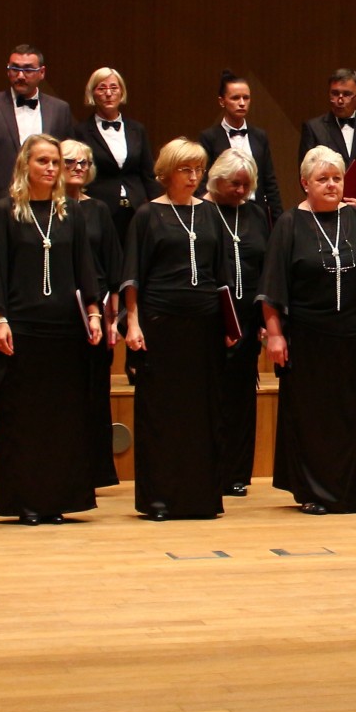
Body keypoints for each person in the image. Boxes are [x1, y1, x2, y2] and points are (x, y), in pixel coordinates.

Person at [0, 134, 105, 524]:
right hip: (22, 328)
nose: (51, 168)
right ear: (25, 165)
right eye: (43, 161)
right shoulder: (5, 211)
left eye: (55, 162)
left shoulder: (71, 212)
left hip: (64, 330)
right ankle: (26, 501)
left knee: (63, 417)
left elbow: (85, 268)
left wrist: (94, 314)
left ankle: (58, 500)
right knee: (25, 418)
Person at [258, 148, 356, 514]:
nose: (332, 185)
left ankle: (346, 492)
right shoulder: (289, 223)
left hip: (353, 337)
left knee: (348, 416)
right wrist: (275, 334)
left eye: (337, 178)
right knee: (312, 417)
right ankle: (313, 492)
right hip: (307, 337)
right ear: (305, 183)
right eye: (323, 179)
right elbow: (272, 286)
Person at [123, 138, 231, 521]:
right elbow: (133, 275)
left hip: (204, 325)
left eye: (198, 169)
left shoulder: (211, 213)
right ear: (167, 172)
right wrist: (132, 322)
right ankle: (159, 499)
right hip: (161, 324)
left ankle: (201, 498)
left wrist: (229, 322)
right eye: (185, 169)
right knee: (162, 412)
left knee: (202, 411)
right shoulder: (147, 215)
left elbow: (221, 274)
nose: (193, 176)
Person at [202, 148, 272, 496]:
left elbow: (267, 266)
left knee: (241, 398)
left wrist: (264, 318)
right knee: (211, 396)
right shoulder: (202, 212)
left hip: (247, 319)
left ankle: (236, 473)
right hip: (210, 319)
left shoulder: (256, 214)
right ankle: (208, 470)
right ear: (216, 180)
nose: (241, 191)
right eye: (234, 184)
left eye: (246, 185)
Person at [0, 45, 76, 236]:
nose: (20, 75)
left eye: (28, 69)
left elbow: (67, 160)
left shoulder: (60, 109)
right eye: (15, 69)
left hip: (48, 207)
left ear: (42, 72)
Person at [61, 139, 125, 491]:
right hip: (58, 307)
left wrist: (112, 318)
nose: (78, 167)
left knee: (95, 390)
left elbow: (113, 267)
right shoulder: (47, 208)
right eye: (70, 161)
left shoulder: (99, 209)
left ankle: (97, 470)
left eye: (84, 162)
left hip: (95, 310)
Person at [71, 67, 160, 240]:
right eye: (101, 88)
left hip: (136, 209)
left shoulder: (137, 129)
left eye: (114, 87)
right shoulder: (81, 131)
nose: (108, 93)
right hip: (99, 209)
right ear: (92, 93)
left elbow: (148, 173)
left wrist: (156, 206)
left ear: (122, 92)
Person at [296, 69, 356, 216]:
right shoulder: (313, 128)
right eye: (335, 94)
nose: (340, 100)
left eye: (347, 94)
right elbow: (306, 174)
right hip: (324, 213)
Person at [198, 71, 283, 220]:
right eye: (235, 98)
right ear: (222, 101)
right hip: (220, 212)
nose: (242, 103)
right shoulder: (209, 137)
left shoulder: (260, 136)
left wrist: (279, 219)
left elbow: (270, 182)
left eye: (246, 97)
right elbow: (204, 182)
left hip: (256, 212)